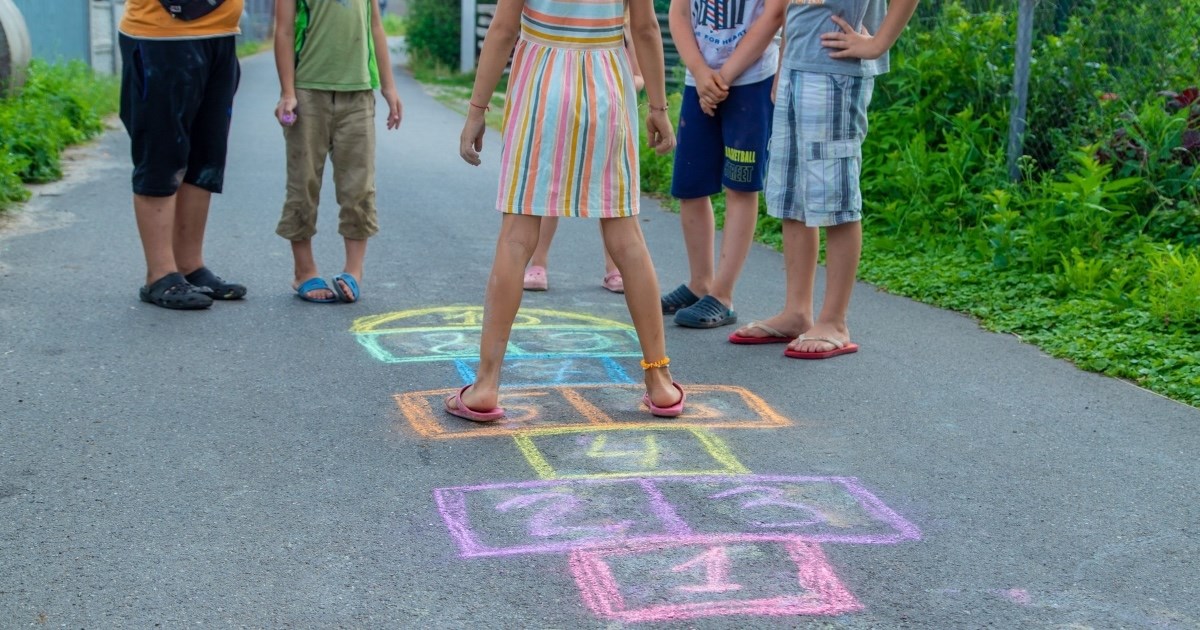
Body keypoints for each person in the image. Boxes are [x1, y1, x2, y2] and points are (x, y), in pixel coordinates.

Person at [449, 0, 684, 421]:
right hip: (609, 85)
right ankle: (659, 381)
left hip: (541, 85)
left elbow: (502, 29)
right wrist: (658, 109)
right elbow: (647, 29)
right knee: (626, 237)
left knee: (518, 236)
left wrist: (476, 111)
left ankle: (485, 384)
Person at [727, 0, 917, 358]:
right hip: (796, 68)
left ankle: (835, 321)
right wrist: (783, 67)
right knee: (793, 194)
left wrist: (877, 45)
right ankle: (797, 312)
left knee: (836, 195)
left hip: (837, 74)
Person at [659, 0, 786, 329]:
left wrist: (724, 77)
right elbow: (680, 13)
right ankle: (700, 282)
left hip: (751, 80)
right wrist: (701, 73)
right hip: (699, 81)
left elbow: (775, 12)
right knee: (691, 184)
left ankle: (723, 295)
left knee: (740, 185)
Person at [118, 0, 248, 310]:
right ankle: (160, 275)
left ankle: (190, 266)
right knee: (161, 154)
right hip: (160, 38)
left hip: (220, 36)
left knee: (206, 158)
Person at [272, 0, 402, 303]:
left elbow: (375, 27)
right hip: (307, 92)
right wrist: (287, 92)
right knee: (303, 184)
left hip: (358, 95)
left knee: (359, 187)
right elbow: (284, 31)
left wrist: (389, 87)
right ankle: (304, 271)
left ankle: (353, 271)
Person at [521, 21, 646, 295]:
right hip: (560, 112)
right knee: (548, 186)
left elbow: (638, 76)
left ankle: (614, 269)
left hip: (605, 114)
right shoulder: (562, 22)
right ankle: (538, 263)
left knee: (610, 197)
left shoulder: (623, 31)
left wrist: (619, 81)